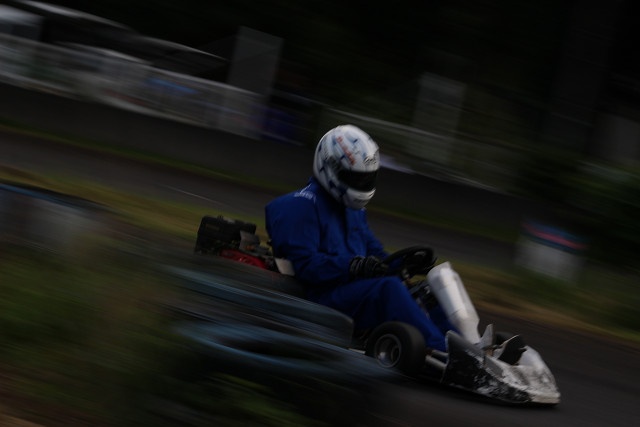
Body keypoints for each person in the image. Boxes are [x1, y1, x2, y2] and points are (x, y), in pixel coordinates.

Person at [265, 124, 452, 352]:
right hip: (317, 298)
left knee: (428, 290)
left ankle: (468, 347)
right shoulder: (298, 206)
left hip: (352, 293)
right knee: (388, 288)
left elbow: (376, 256)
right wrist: (353, 266)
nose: (362, 185)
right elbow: (306, 267)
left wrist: (404, 264)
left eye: (366, 179)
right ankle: (442, 353)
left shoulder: (353, 211)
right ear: (330, 167)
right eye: (355, 178)